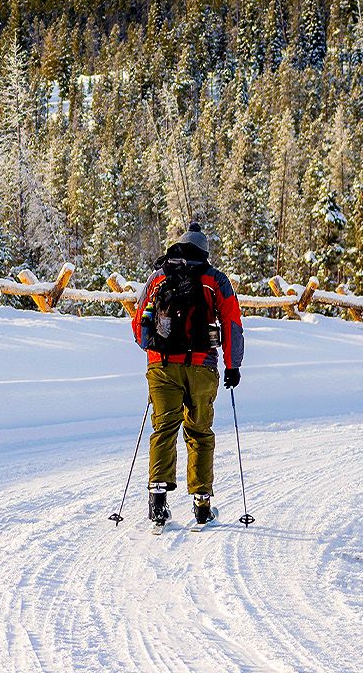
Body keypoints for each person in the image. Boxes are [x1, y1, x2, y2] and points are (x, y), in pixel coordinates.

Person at [129, 221, 245, 526]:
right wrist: (233, 365)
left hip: (162, 365)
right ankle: (202, 504)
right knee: (199, 432)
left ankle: (157, 501)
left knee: (164, 429)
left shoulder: (157, 277)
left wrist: (155, 352)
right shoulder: (216, 279)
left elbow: (138, 321)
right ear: (205, 251)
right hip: (201, 368)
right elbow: (232, 322)